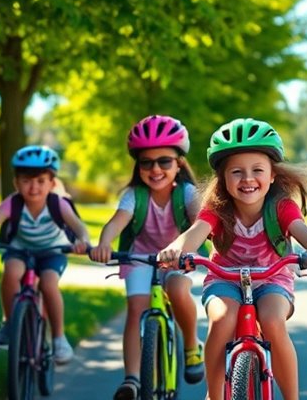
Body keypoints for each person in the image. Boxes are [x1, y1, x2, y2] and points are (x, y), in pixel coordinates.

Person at [158, 118, 307, 400]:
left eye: (257, 170)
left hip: (272, 278)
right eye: (237, 172)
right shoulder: (218, 209)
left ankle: (292, 397)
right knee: (222, 319)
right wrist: (175, 249)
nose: (248, 179)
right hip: (224, 278)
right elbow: (194, 233)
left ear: (272, 175)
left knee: (273, 321)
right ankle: (214, 395)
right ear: (223, 178)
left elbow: (304, 231)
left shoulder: (281, 207)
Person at [90, 115, 205, 400]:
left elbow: (201, 224)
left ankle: (191, 345)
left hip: (178, 257)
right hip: (140, 257)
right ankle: (131, 378)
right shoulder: (133, 195)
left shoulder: (189, 193)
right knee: (136, 308)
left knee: (178, 290)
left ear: (179, 163)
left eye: (164, 161)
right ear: (138, 166)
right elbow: (117, 222)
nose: (155, 169)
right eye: (146, 162)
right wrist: (104, 243)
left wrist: (195, 249)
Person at [0, 144, 90, 364]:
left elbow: (80, 228)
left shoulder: (57, 204)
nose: (33, 187)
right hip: (21, 249)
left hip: (53, 251)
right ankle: (10, 323)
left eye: (41, 181)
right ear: (16, 183)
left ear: (52, 183)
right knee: (11, 272)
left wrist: (83, 241)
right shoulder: (13, 203)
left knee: (49, 284)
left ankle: (59, 337)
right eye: (26, 181)